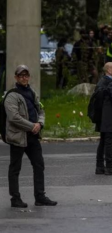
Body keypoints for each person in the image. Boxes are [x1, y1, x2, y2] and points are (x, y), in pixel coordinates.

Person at [4, 65, 58, 208]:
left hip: (33, 136)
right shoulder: (11, 96)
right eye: (21, 75)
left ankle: (40, 197)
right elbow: (13, 117)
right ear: (16, 77)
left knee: (39, 165)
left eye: (26, 75)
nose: (24, 78)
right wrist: (31, 126)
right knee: (15, 168)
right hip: (18, 137)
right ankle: (15, 198)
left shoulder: (32, 92)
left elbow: (41, 110)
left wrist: (40, 124)